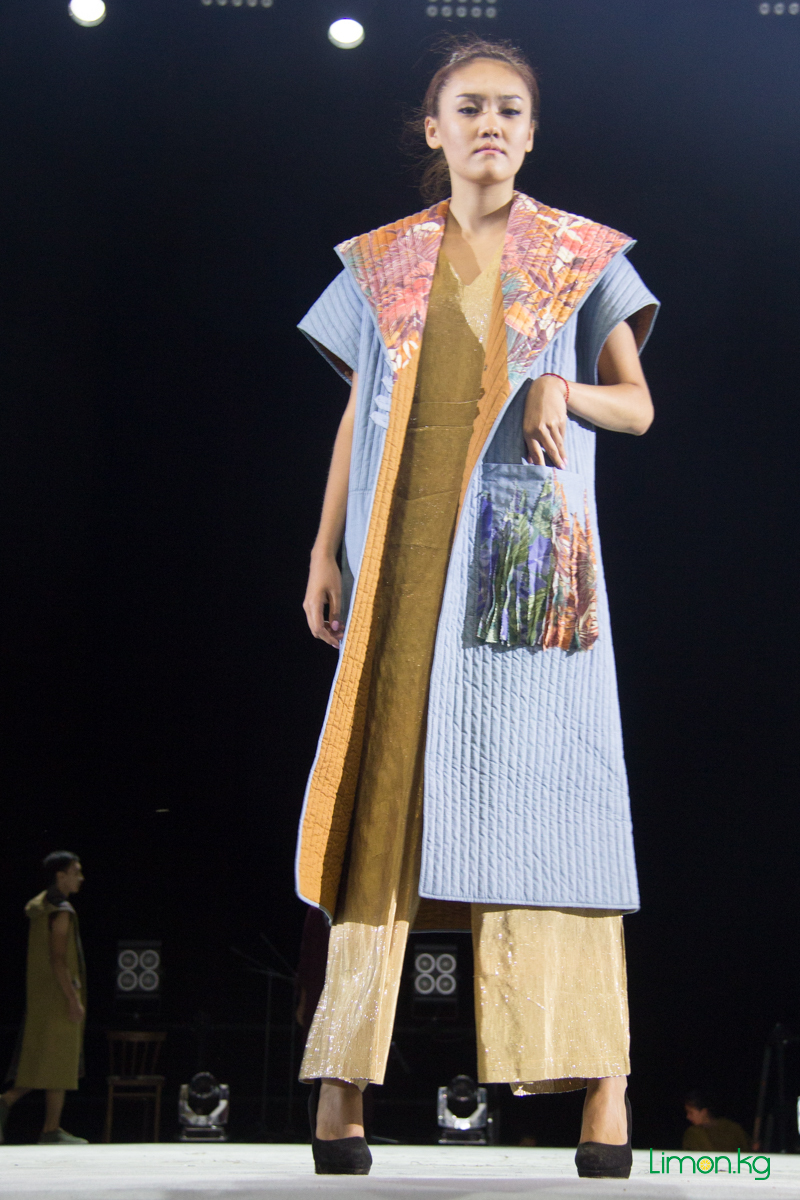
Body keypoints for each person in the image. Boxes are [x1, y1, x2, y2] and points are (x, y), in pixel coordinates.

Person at [295, 35, 658, 1179]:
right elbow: (355, 411)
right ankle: (341, 1085)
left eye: (507, 109)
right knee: (380, 802)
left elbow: (637, 406)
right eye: (468, 107)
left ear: (530, 134)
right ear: (434, 128)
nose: (488, 123)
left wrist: (561, 386)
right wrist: (321, 549)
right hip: (401, 558)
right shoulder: (383, 261)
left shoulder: (579, 255)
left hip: (524, 555)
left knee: (555, 806)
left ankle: (603, 1085)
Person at [0, 852, 88, 1145]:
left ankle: (50, 1127)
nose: (80, 878)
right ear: (60, 876)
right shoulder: (60, 911)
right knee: (55, 1060)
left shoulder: (41, 908)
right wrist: (72, 999)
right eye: (75, 872)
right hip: (57, 995)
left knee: (50, 1061)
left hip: (41, 995)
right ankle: (21, 1110)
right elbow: (58, 959)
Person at [682, 1089, 751, 1153]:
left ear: (704, 1112)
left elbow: (747, 1150)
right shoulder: (692, 1134)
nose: (688, 1116)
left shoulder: (732, 1129)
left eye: (690, 1112)